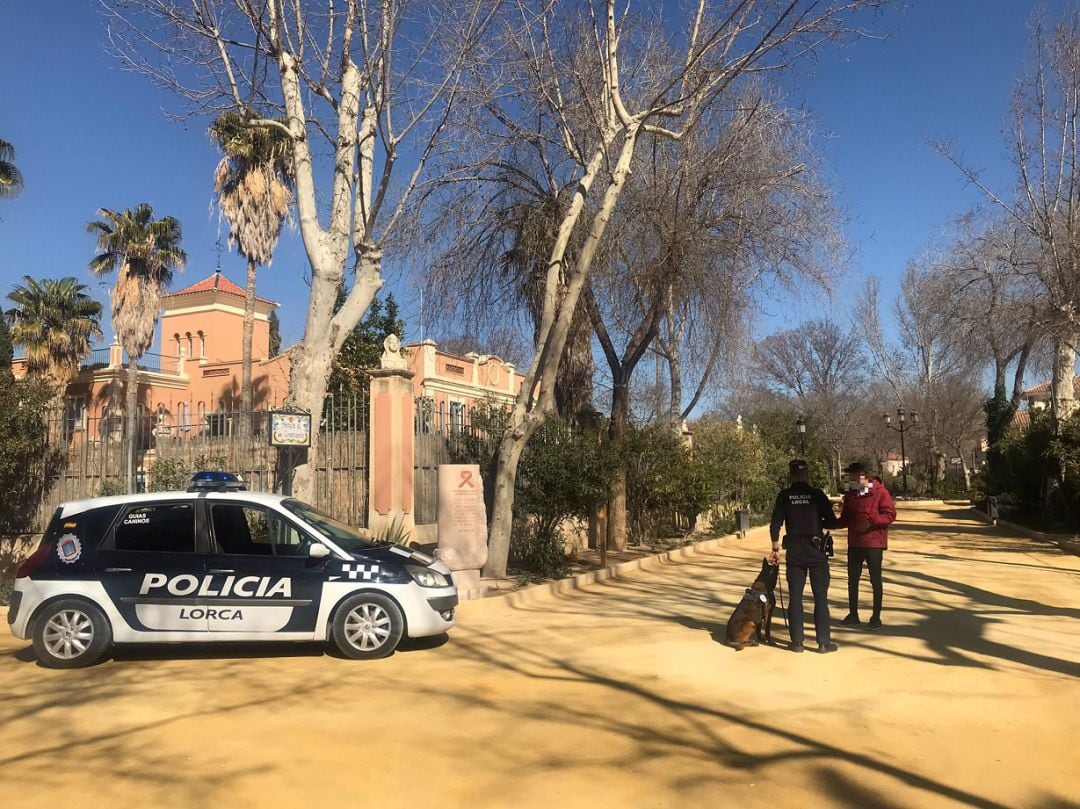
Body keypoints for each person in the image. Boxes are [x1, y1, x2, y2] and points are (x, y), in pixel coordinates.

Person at [769, 459, 839, 653]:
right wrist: (820, 518)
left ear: (790, 475)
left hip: (795, 553)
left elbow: (775, 524)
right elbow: (832, 523)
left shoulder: (785, 496)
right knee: (821, 598)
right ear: (807, 474)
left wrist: (775, 549)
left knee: (795, 597)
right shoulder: (817, 495)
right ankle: (823, 643)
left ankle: (797, 642)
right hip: (816, 551)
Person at [837, 462, 897, 630]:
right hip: (855, 543)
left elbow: (890, 514)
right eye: (851, 478)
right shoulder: (851, 495)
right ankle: (853, 614)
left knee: (875, 580)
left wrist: (871, 521)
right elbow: (846, 518)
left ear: (864, 476)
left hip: (874, 544)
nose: (852, 481)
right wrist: (828, 522)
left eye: (855, 477)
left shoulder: (879, 491)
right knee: (852, 580)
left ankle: (876, 616)